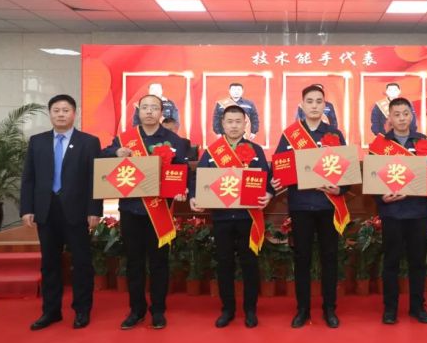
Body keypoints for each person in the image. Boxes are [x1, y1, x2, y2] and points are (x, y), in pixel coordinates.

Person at [102, 94, 187, 330]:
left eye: (154, 108)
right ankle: (136, 310)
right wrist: (116, 153)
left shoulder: (174, 140)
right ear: (138, 112)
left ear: (162, 112)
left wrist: (182, 189)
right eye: (145, 107)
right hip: (131, 209)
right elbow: (102, 156)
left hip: (159, 211)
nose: (149, 112)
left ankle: (158, 310)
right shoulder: (124, 139)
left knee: (159, 263)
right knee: (134, 263)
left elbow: (182, 172)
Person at [20, 94, 103, 330]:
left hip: (77, 211)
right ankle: (51, 311)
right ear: (50, 114)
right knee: (49, 264)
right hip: (46, 211)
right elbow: (29, 178)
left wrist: (94, 209)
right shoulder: (37, 141)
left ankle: (82, 310)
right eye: (56, 110)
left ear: (74, 114)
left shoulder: (89, 142)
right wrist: (27, 208)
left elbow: (95, 178)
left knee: (81, 263)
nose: (61, 114)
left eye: (65, 110)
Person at [272, 84, 349, 329]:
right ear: (302, 105)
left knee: (329, 258)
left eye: (319, 101)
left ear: (325, 105)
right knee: (302, 258)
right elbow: (279, 166)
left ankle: (329, 309)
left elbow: (346, 169)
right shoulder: (290, 135)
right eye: (310, 101)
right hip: (301, 206)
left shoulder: (335, 134)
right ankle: (303, 309)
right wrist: (277, 178)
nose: (314, 106)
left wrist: (340, 189)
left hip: (328, 205)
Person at [189, 105, 273, 329]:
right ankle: (227, 309)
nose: (234, 126)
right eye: (230, 121)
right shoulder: (212, 152)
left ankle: (250, 310)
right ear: (222, 124)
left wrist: (268, 193)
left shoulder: (256, 150)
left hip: (248, 217)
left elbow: (267, 178)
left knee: (249, 263)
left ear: (245, 124)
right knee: (224, 263)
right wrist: (194, 196)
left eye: (238, 121)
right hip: (222, 218)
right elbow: (199, 179)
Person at [369, 98, 427, 325]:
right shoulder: (380, 145)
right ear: (389, 118)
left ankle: (417, 307)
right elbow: (372, 177)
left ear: (411, 116)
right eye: (397, 114)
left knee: (418, 262)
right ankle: (390, 308)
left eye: (405, 114)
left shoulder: (423, 141)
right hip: (392, 212)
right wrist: (380, 197)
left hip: (418, 211)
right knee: (391, 262)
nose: (402, 118)